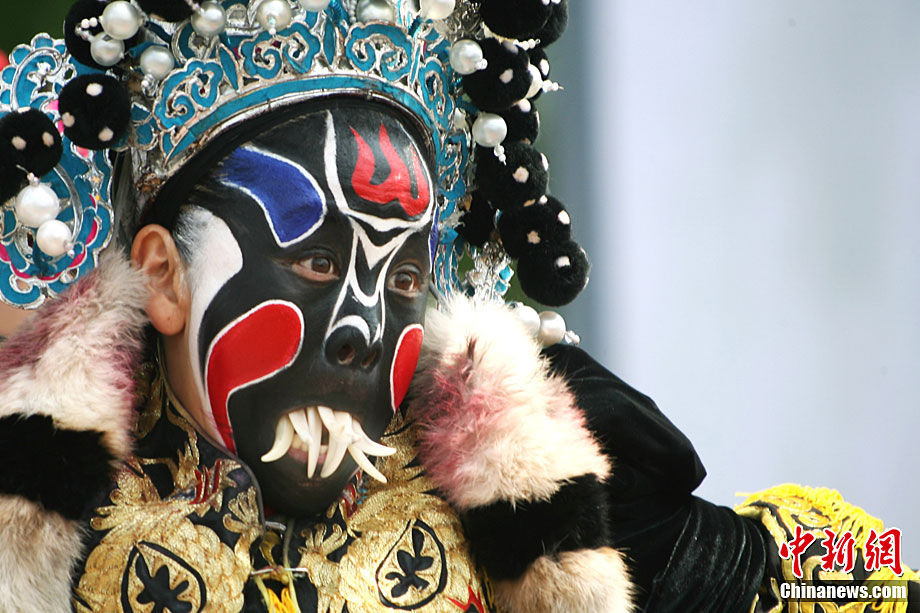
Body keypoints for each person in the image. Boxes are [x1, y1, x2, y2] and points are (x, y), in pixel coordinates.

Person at [0, 1, 915, 612]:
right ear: (164, 277)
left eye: (402, 279)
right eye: (317, 261)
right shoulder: (44, 518)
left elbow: (861, 584)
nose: (363, 327)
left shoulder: (510, 502)